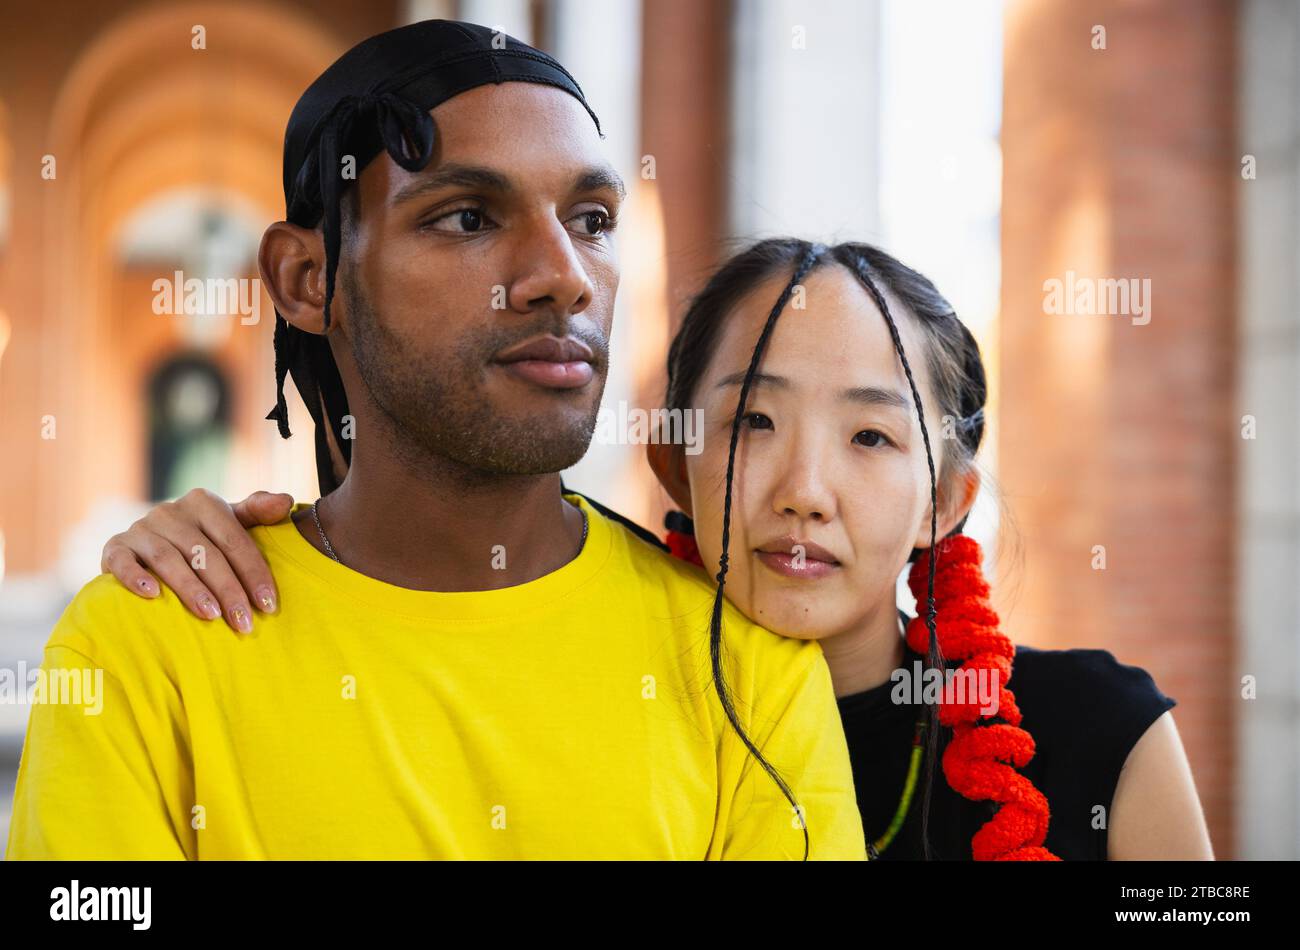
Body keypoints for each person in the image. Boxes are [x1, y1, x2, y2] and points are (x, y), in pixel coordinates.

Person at [6, 21, 864, 861]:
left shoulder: (745, 674)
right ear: (308, 281)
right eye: (466, 219)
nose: (563, 275)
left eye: (593, 219)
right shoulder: (147, 647)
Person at [103, 237, 1216, 860]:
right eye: (754, 421)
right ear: (677, 461)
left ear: (946, 499)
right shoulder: (575, 700)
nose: (804, 490)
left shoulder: (1102, 735)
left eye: (872, 435)